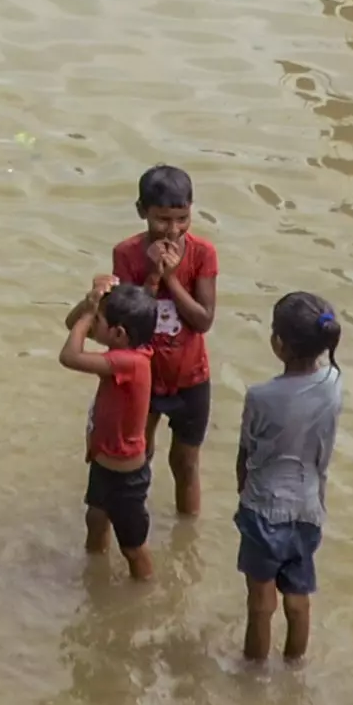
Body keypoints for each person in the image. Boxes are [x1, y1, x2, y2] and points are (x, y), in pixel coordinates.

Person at [233, 292, 345, 665]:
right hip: (308, 509)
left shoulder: (261, 396)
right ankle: (295, 666)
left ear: (278, 344)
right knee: (298, 599)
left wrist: (241, 488)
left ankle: (254, 672)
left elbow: (247, 450)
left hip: (264, 508)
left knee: (261, 601)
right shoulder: (333, 382)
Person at [113, 165, 222, 521]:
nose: (172, 230)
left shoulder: (203, 253)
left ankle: (186, 530)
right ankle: (136, 527)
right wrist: (153, 276)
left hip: (191, 377)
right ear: (142, 211)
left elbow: (203, 320)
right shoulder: (127, 254)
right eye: (162, 219)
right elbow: (129, 321)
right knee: (137, 455)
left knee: (186, 462)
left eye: (182, 218)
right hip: (144, 374)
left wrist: (172, 280)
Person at [60, 278, 164, 580]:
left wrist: (89, 314)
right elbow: (72, 325)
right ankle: (96, 579)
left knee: (133, 547)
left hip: (126, 477)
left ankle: (145, 590)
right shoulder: (124, 349)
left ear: (118, 333)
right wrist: (90, 304)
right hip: (105, 464)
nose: (93, 324)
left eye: (99, 321)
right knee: (95, 517)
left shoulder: (129, 362)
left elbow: (69, 356)